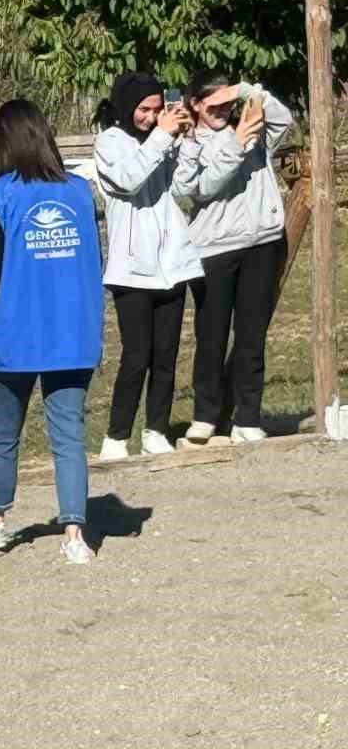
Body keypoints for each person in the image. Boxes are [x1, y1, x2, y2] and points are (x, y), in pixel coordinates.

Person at [0, 99, 105, 565]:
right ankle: (76, 536)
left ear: (7, 142)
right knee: (68, 434)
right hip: (74, 333)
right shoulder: (81, 192)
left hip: (18, 334)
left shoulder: (1, 194)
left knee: (5, 431)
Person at [173, 71, 293, 445]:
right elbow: (200, 188)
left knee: (252, 336)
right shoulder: (187, 143)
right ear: (195, 104)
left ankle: (248, 416)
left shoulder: (252, 128)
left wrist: (247, 91)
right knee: (211, 335)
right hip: (215, 249)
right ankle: (206, 415)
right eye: (213, 104)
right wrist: (237, 145)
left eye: (227, 103)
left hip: (262, 242)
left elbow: (284, 120)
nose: (222, 110)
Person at [92, 71, 203, 460]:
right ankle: (116, 436)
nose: (151, 116)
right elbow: (129, 180)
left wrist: (187, 139)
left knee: (166, 355)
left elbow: (185, 186)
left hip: (171, 263)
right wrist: (161, 137)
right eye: (144, 109)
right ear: (127, 107)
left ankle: (156, 429)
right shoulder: (110, 142)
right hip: (131, 268)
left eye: (158, 109)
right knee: (137, 355)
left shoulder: (166, 138)